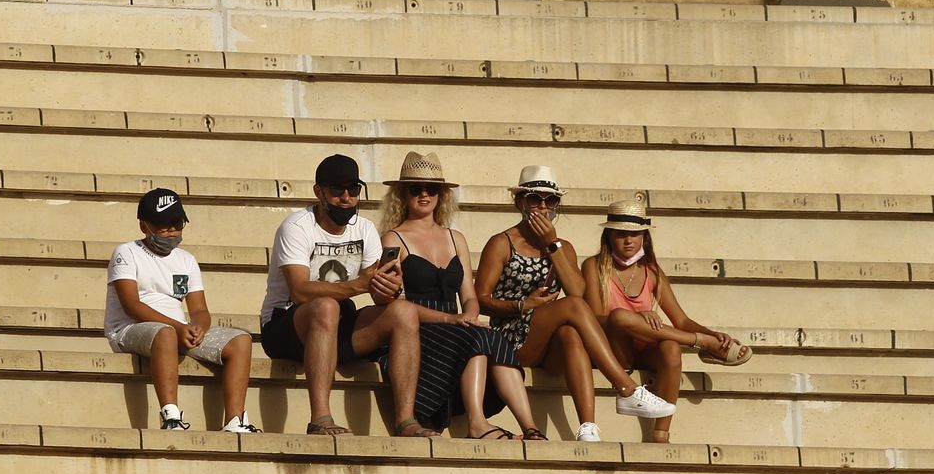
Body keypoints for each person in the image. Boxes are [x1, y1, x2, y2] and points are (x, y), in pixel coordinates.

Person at [475, 165, 676, 442]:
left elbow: (579, 294)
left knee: (571, 333)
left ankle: (588, 427)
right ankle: (626, 389)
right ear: (520, 202)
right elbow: (479, 301)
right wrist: (522, 305)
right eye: (535, 198)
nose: (543, 207)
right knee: (573, 309)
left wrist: (552, 244)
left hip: (548, 340)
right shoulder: (502, 243)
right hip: (512, 337)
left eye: (551, 200)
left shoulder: (563, 247)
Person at [379, 151, 546, 440]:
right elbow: (397, 303)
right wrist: (452, 318)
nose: (424, 195)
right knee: (477, 337)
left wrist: (467, 315)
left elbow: (469, 295)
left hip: (455, 323)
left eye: (432, 189)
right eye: (415, 189)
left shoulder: (456, 238)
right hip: (418, 328)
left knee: (491, 336)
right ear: (402, 194)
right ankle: (477, 423)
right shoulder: (393, 239)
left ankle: (530, 428)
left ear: (441, 195)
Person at [259, 153, 427, 436]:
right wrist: (361, 285)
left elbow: (379, 297)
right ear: (319, 191)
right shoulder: (297, 226)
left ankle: (406, 421)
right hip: (285, 325)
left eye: (353, 189)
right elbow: (299, 291)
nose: (346, 197)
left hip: (334, 326)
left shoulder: (364, 228)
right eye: (337, 189)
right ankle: (320, 418)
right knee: (325, 306)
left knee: (404, 311)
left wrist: (388, 287)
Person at [582, 193, 753, 443]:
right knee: (619, 316)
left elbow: (681, 320)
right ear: (608, 236)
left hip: (645, 348)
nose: (628, 240)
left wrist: (713, 333)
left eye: (635, 233)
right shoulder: (593, 266)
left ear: (644, 236)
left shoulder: (651, 271)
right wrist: (637, 315)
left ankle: (661, 433)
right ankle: (701, 344)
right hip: (613, 349)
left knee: (672, 347)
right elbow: (596, 319)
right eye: (620, 233)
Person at [104, 187, 259, 432]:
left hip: (175, 329)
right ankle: (171, 416)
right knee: (165, 333)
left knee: (241, 340)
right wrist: (178, 327)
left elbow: (199, 309)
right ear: (144, 226)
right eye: (163, 225)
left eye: (176, 223)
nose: (171, 231)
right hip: (129, 329)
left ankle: (235, 420)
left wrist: (199, 328)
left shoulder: (186, 259)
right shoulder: (127, 252)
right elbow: (131, 305)